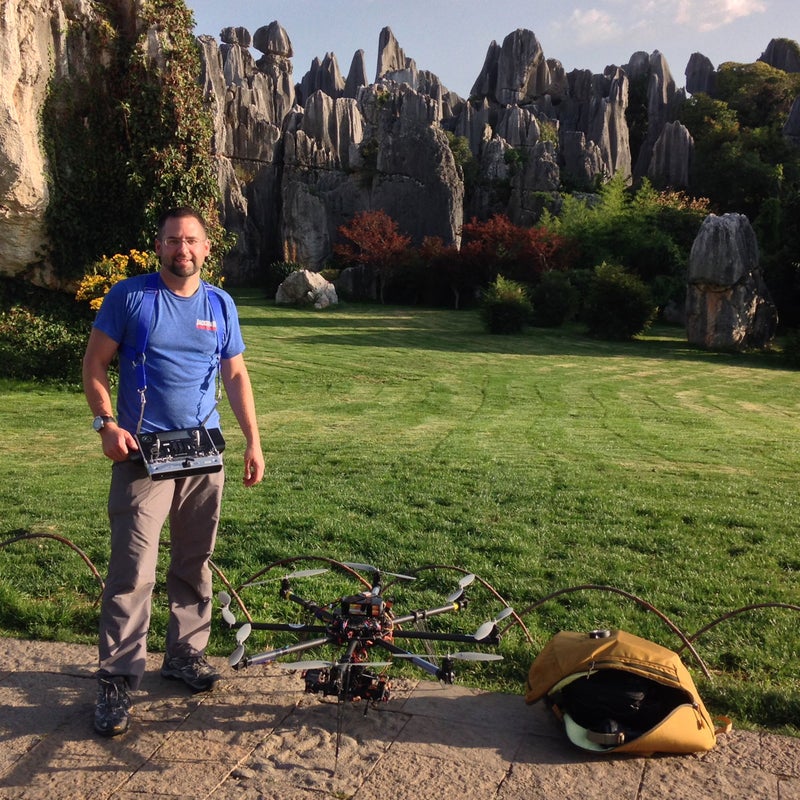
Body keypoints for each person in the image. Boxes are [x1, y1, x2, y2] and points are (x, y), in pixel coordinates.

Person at [82, 207, 264, 737]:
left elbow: (234, 374)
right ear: (158, 247)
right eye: (172, 240)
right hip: (143, 453)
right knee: (132, 570)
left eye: (192, 241)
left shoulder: (219, 303)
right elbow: (94, 364)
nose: (182, 249)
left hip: (203, 451)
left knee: (195, 560)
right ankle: (117, 679)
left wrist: (253, 440)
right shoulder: (130, 297)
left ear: (207, 248)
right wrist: (105, 424)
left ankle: (185, 655)